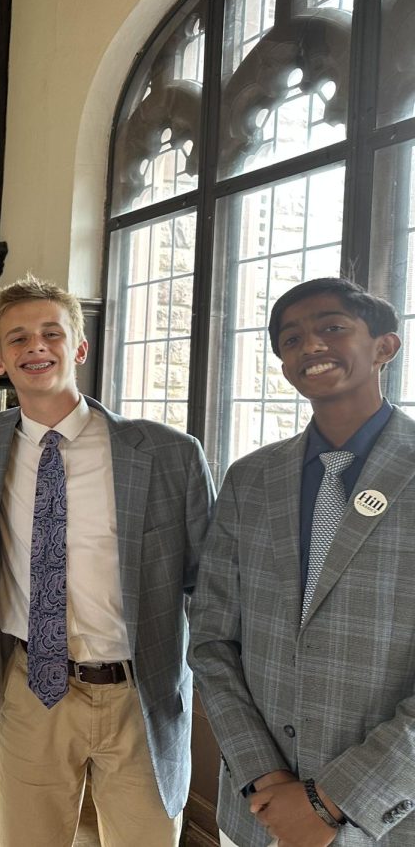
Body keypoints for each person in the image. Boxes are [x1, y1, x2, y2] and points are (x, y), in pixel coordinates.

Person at [0, 274, 214, 847]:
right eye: (18, 338)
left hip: (140, 692)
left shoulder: (169, 453)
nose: (35, 347)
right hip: (34, 687)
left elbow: (212, 586)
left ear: (79, 347)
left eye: (51, 333)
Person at [190, 277, 415, 847]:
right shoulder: (250, 478)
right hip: (261, 809)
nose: (310, 346)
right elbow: (214, 640)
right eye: (292, 339)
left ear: (385, 346)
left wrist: (332, 801)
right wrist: (266, 780)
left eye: (332, 328)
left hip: (389, 816)